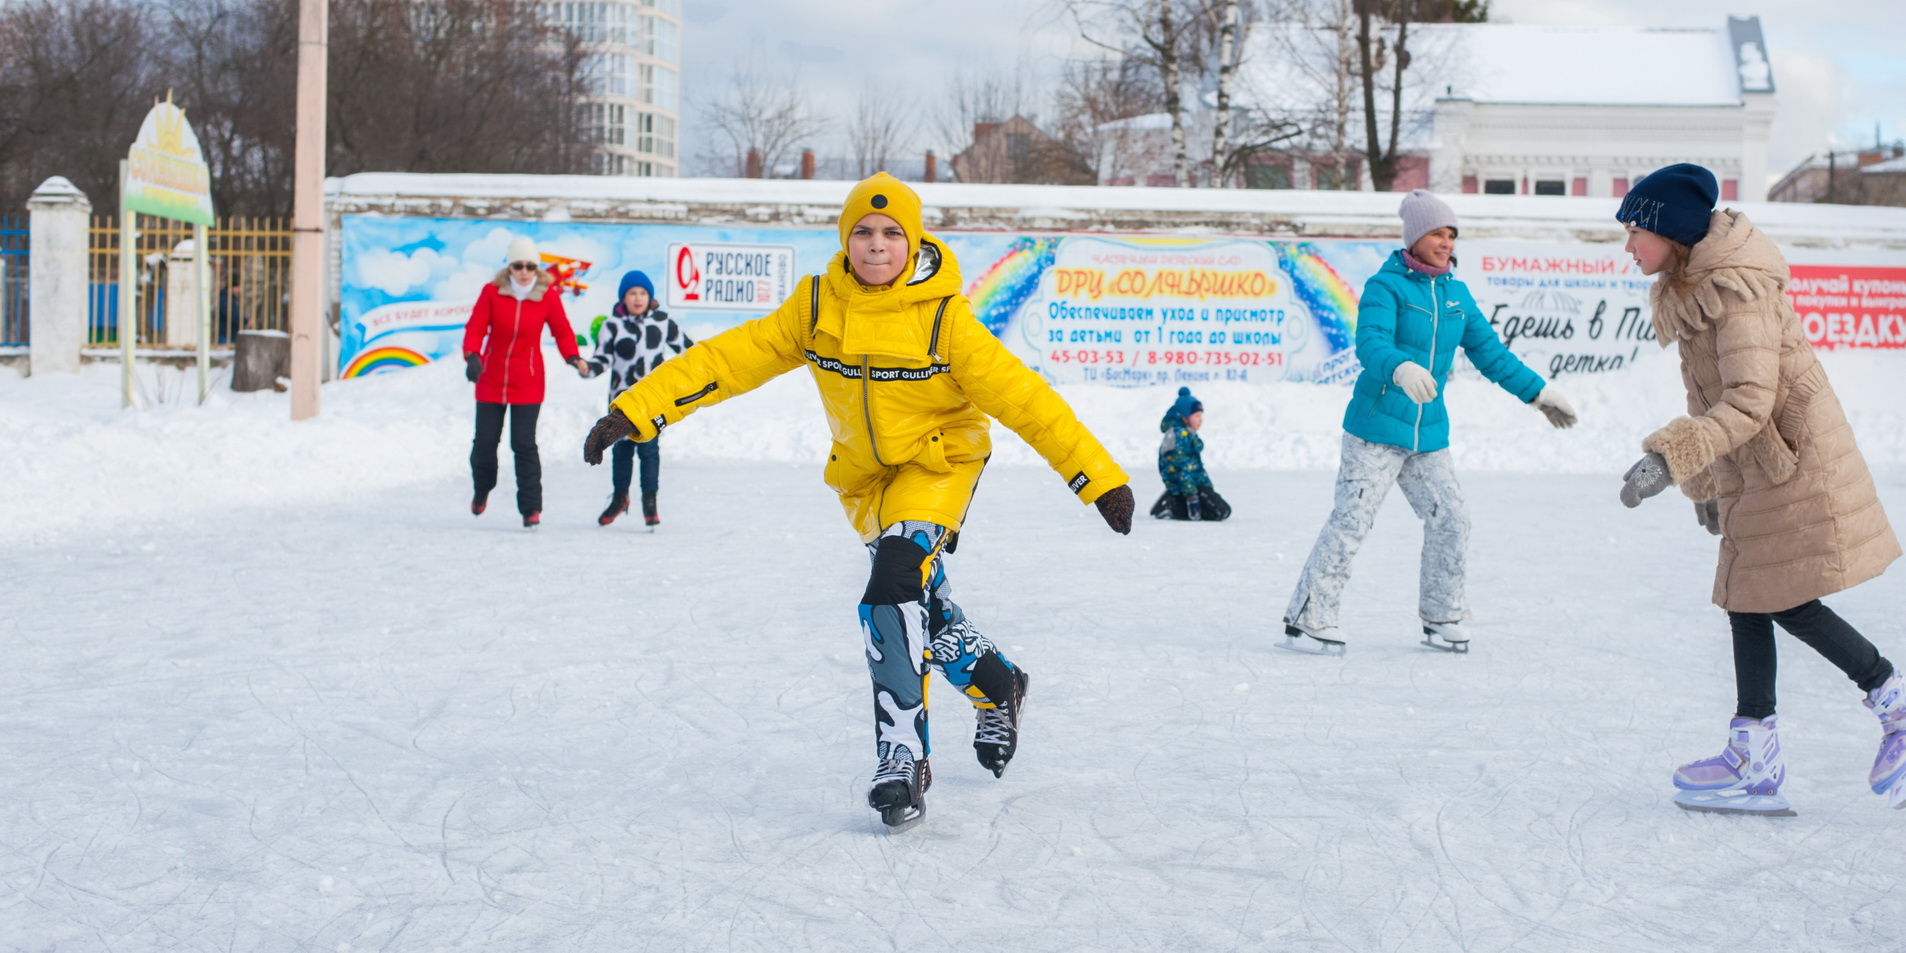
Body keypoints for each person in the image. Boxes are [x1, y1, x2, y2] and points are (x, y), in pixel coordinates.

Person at [581, 173, 1135, 831]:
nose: (877, 246)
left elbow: (1027, 401)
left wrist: (1096, 478)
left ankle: (902, 751)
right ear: (846, 241)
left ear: (914, 240)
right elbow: (733, 357)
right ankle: (998, 683)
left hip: (938, 466)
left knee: (890, 588)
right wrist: (635, 409)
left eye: (892, 233)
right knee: (920, 605)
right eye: (863, 233)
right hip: (866, 481)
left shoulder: (944, 317)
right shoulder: (817, 307)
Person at [1613, 162, 1904, 814]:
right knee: (1749, 595)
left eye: (1635, 231)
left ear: (1673, 232)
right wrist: (1708, 481)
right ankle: (1754, 753)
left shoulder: (1735, 291)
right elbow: (1706, 398)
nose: (1628, 246)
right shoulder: (1691, 291)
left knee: (1785, 598)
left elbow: (1747, 400)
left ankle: (1894, 703)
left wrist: (1672, 458)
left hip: (1795, 461)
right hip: (1759, 465)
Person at [1282, 189, 1578, 654]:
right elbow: (1371, 342)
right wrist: (1400, 367)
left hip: (1428, 435)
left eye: (1451, 234)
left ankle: (1441, 615)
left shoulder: (1456, 294)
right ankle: (1308, 616)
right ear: (1415, 236)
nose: (1446, 242)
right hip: (1376, 429)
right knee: (1352, 521)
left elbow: (1491, 354)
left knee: (1452, 520)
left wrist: (1538, 394)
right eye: (1437, 232)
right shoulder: (1386, 287)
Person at [463, 236, 588, 529]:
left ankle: (531, 508)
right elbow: (476, 327)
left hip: (527, 381)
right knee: (484, 444)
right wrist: (472, 356)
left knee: (523, 445)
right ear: (509, 267)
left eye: (530, 266)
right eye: (518, 265)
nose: (524, 271)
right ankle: (482, 489)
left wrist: (573, 358)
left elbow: (562, 330)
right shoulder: (492, 292)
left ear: (536, 268)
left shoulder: (546, 296)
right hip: (491, 378)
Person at [582, 269, 693, 528]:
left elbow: (688, 350)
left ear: (649, 297)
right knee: (621, 450)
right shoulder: (612, 326)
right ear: (623, 298)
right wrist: (588, 369)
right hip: (621, 403)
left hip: (654, 401)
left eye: (643, 293)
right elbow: (602, 359)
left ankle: (650, 501)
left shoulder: (663, 321)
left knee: (649, 451)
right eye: (632, 293)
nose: (638, 298)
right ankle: (620, 498)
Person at [1150, 386, 1230, 521]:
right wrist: (1192, 497)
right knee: (1218, 512)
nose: (1201, 419)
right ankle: (1172, 505)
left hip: (1192, 485)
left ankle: (1174, 500)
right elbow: (1183, 468)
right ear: (1185, 417)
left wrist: (1207, 488)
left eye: (1201, 416)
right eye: (1197, 416)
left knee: (1223, 510)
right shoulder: (1178, 436)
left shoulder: (1187, 434)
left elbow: (1196, 467)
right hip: (1185, 487)